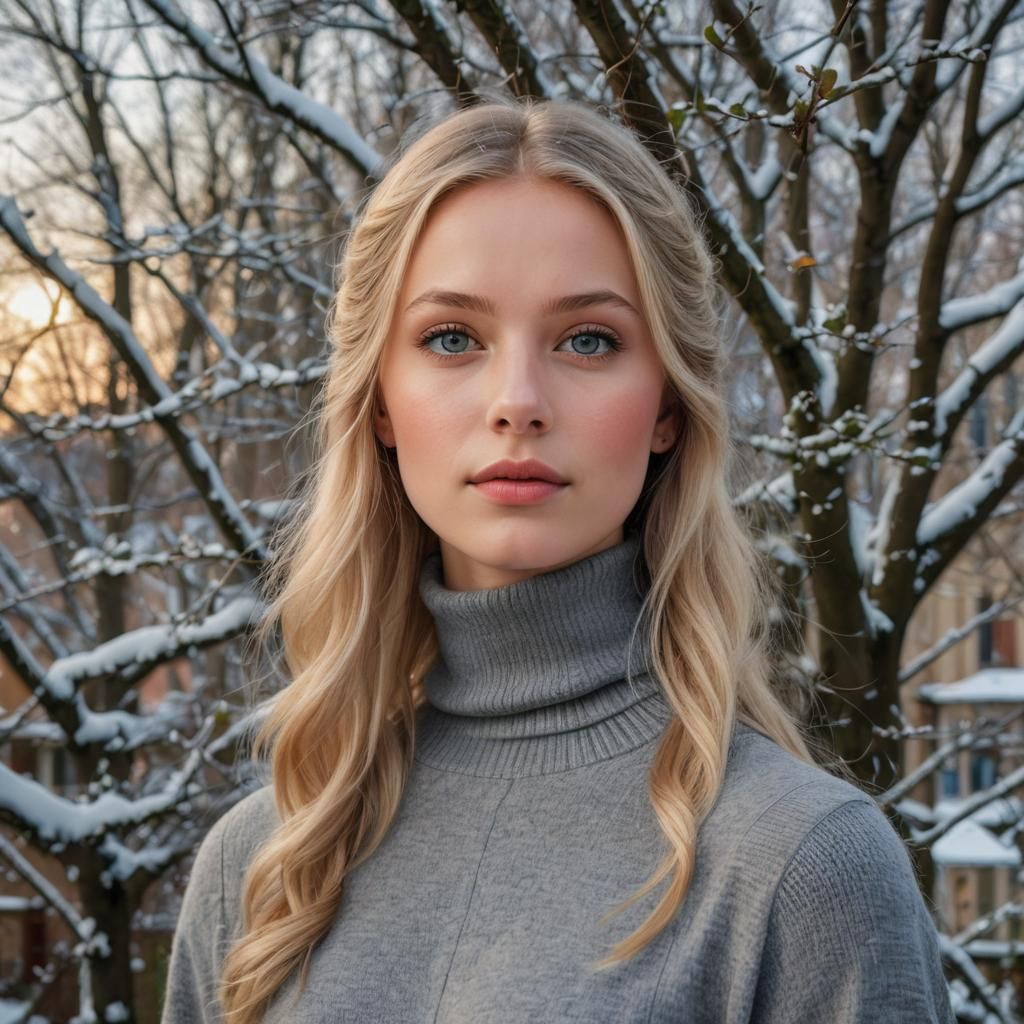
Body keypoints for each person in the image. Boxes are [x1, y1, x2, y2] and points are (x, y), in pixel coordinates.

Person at [160, 96, 955, 1024]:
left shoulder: (801, 868)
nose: (518, 401)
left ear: (668, 405)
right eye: (451, 338)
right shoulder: (261, 871)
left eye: (589, 339)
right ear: (379, 398)